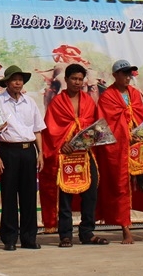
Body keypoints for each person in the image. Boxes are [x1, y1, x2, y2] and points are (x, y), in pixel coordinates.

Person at [96, 60, 143, 244]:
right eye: (124, 73)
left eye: (129, 73)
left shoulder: (135, 94)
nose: (128, 77)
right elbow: (107, 126)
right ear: (115, 75)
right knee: (123, 188)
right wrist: (125, 136)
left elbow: (140, 117)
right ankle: (126, 231)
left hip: (142, 148)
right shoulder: (107, 97)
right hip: (121, 150)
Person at [40, 64, 106, 247]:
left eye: (80, 79)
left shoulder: (88, 101)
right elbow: (51, 130)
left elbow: (95, 126)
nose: (77, 82)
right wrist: (63, 144)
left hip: (86, 154)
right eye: (74, 79)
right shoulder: (57, 102)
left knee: (91, 193)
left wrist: (90, 139)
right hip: (65, 155)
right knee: (65, 195)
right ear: (66, 80)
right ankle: (65, 235)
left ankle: (87, 232)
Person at [0, 65, 45, 251]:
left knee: (29, 196)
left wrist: (40, 153)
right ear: (7, 82)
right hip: (8, 151)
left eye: (20, 79)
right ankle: (9, 239)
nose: (18, 83)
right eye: (14, 79)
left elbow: (37, 129)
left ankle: (29, 238)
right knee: (9, 196)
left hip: (28, 151)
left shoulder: (30, 102)